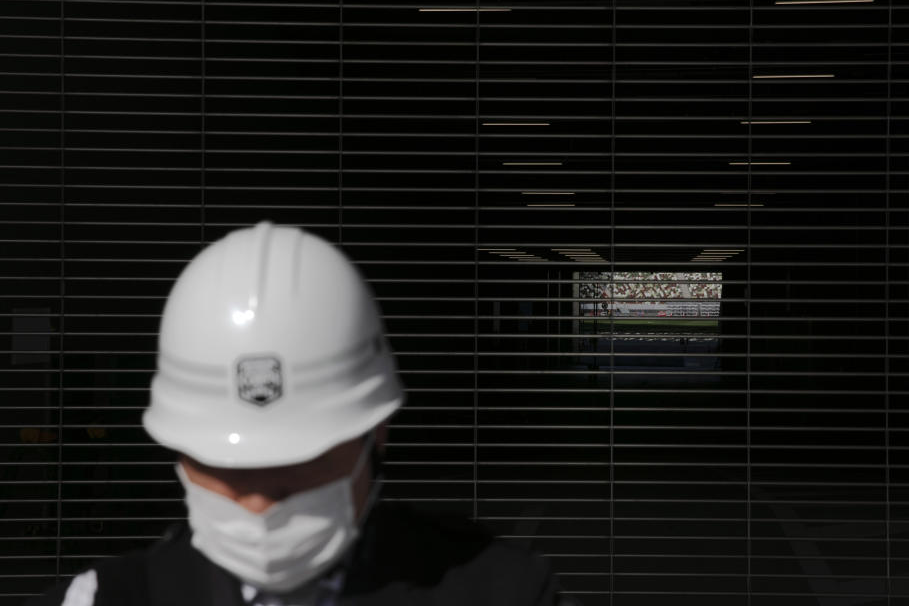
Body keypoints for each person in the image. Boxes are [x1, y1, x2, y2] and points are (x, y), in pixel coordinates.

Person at [25, 221, 569, 606]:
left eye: (298, 457)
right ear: (179, 451)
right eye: (227, 462)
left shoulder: (504, 591)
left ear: (374, 432)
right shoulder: (102, 600)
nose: (260, 500)